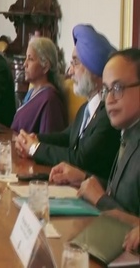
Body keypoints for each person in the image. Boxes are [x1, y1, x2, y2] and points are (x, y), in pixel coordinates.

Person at [16, 24, 120, 180]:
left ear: (94, 68)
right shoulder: (86, 107)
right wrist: (32, 138)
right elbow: (66, 137)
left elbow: (80, 159)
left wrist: (35, 148)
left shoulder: (108, 114)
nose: (69, 71)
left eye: (75, 63)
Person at [49, 48, 140, 215]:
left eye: (118, 88)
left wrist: (100, 199)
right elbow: (124, 194)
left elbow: (134, 225)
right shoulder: (128, 133)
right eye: (106, 90)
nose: (109, 100)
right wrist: (83, 178)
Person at [11, 37, 68, 134]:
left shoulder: (50, 100)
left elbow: (48, 142)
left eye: (30, 59)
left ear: (45, 66)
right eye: (26, 58)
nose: (25, 64)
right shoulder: (31, 92)